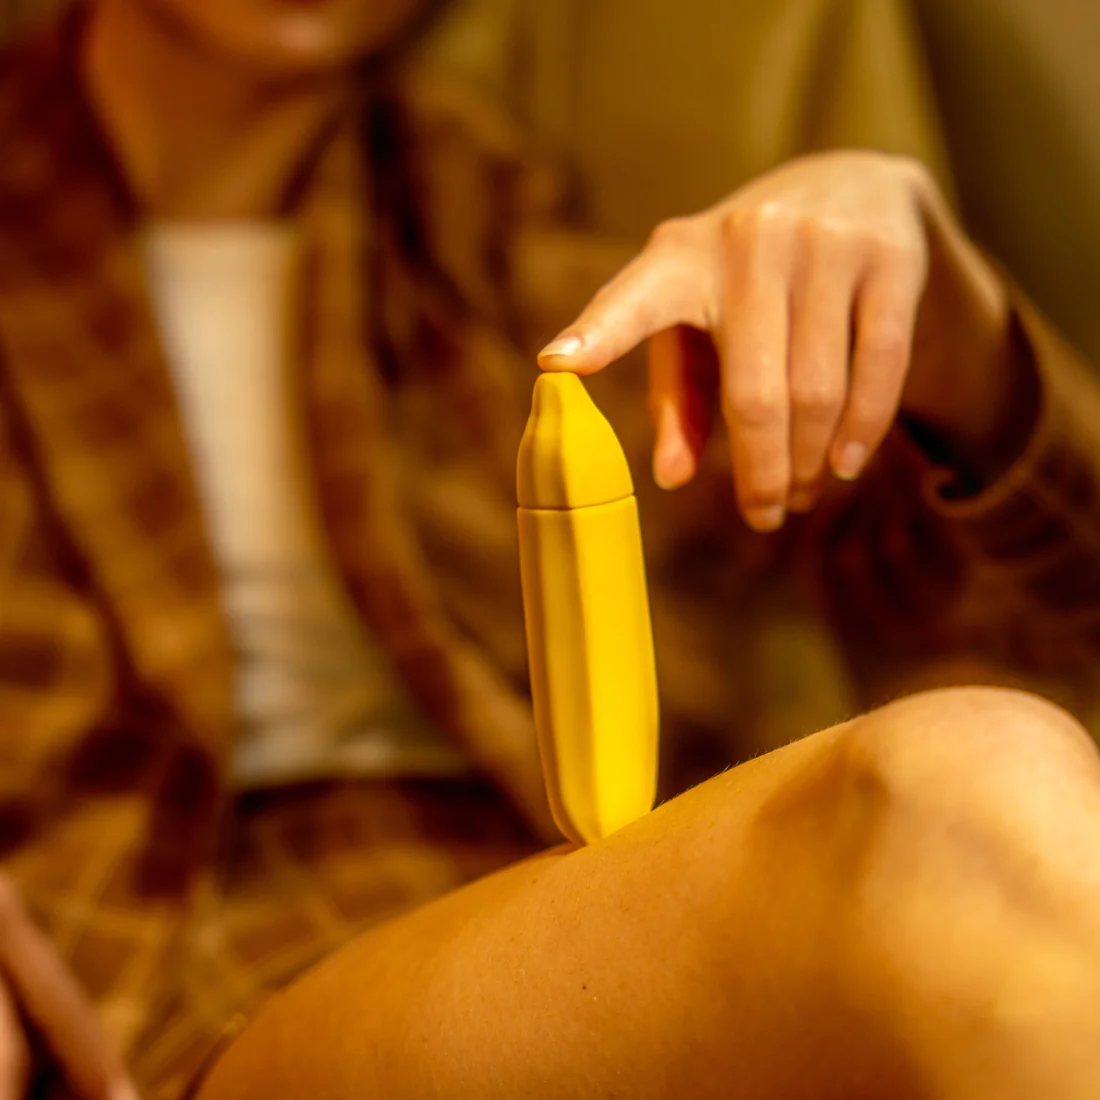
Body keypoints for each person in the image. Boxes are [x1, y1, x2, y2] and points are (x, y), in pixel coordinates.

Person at [0, 0, 1097, 1097]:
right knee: (964, 795)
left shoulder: (491, 234)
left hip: (546, 910)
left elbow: (1039, 616)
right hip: (159, 993)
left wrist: (965, 346)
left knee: (979, 796)